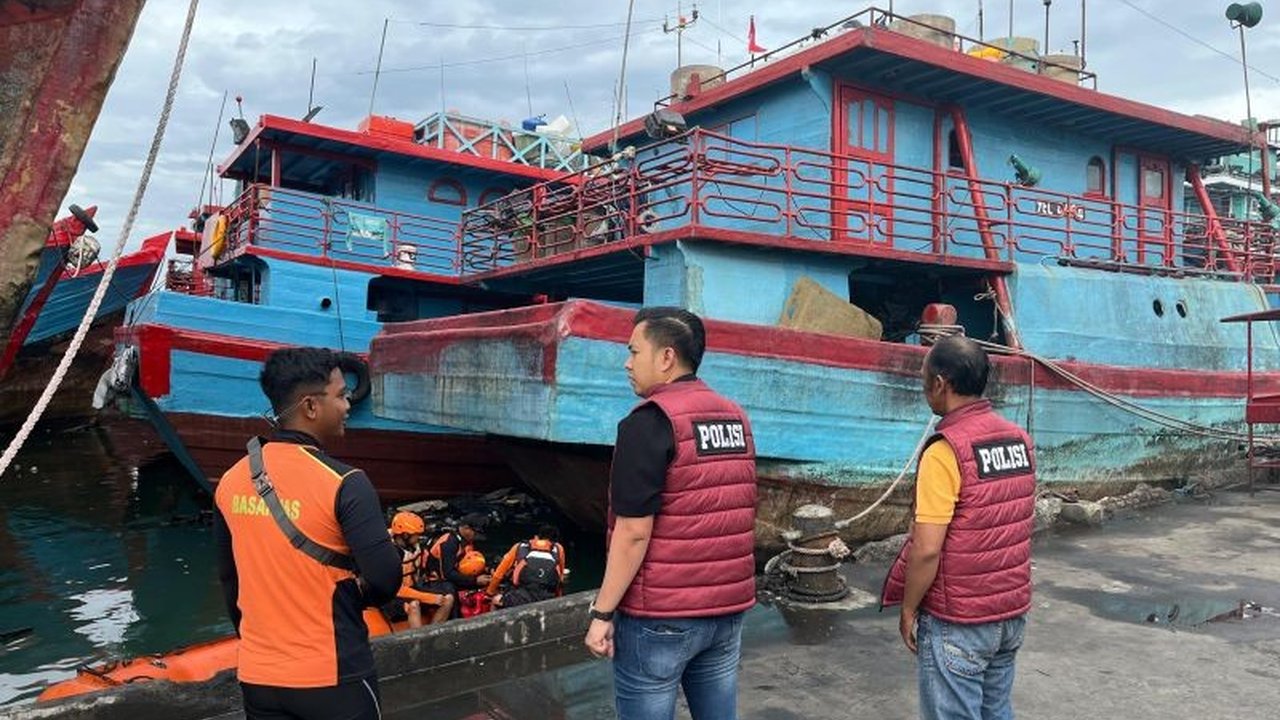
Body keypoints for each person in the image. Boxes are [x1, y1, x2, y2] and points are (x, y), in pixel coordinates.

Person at [583, 307, 757, 720]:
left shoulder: (647, 423)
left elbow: (633, 532)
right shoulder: (735, 416)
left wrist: (602, 613)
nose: (627, 363)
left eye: (634, 351)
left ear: (666, 357)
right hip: (726, 610)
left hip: (661, 618)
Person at [214, 347, 401, 720]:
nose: (348, 405)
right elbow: (385, 578)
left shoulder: (231, 481)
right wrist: (350, 593)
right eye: (341, 396)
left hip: (259, 677)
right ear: (311, 407)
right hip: (332, 676)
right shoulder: (346, 482)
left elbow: (230, 580)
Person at [881, 335, 1037, 720]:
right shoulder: (1019, 440)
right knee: (996, 711)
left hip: (960, 621)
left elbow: (927, 548)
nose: (923, 387)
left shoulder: (945, 450)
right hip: (1009, 614)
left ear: (941, 382)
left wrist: (909, 608)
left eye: (924, 377)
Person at [385, 511, 454, 627]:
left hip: (412, 587)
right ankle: (419, 642)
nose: (419, 537)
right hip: (391, 596)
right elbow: (394, 588)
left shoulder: (414, 546)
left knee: (448, 598)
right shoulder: (389, 554)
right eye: (416, 534)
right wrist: (429, 598)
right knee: (414, 605)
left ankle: (431, 633)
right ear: (405, 535)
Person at [422, 513, 492, 616]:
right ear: (466, 528)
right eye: (475, 533)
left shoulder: (465, 541)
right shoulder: (449, 543)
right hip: (437, 581)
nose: (476, 537)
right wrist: (475, 581)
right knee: (451, 589)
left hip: (456, 573)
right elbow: (447, 574)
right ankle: (456, 618)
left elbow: (470, 561)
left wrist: (488, 569)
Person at [486, 524, 566, 608]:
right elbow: (560, 579)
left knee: (495, 600)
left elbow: (498, 575)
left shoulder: (520, 547)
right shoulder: (558, 549)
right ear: (555, 540)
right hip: (547, 598)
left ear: (536, 536)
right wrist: (558, 599)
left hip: (521, 598)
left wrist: (489, 593)